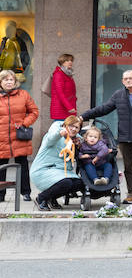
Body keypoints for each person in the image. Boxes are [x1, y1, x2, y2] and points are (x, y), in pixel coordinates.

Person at [82, 69, 132, 205]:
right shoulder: (119, 95)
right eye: (125, 79)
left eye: (131, 78)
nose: (128, 81)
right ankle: (131, 193)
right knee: (128, 167)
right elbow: (104, 108)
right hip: (125, 138)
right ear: (122, 81)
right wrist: (84, 116)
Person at [30, 114, 84, 211]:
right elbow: (51, 138)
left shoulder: (73, 141)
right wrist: (60, 133)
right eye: (71, 125)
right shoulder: (52, 136)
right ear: (65, 125)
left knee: (79, 183)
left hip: (59, 172)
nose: (73, 129)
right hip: (43, 170)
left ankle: (52, 198)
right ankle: (41, 198)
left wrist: (79, 144)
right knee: (66, 183)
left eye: (76, 127)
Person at [1, 69, 39, 203]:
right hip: (2, 136)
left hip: (19, 135)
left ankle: (26, 192)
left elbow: (34, 111)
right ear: (1, 82)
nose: (9, 82)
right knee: (1, 165)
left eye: (11, 79)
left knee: (22, 164)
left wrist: (25, 123)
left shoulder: (23, 94)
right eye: (6, 79)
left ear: (15, 81)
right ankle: (1, 194)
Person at [46, 53, 77, 122]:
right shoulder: (59, 74)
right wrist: (69, 107)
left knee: (67, 130)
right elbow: (60, 93)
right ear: (62, 62)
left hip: (67, 107)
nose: (70, 62)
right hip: (61, 108)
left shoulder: (67, 74)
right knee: (60, 130)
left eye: (71, 60)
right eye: (67, 60)